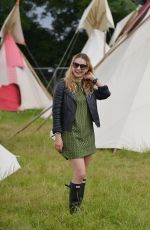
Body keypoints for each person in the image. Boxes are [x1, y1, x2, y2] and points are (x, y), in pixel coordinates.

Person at [52, 53, 111, 214]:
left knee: (83, 176)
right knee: (80, 172)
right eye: (75, 65)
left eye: (82, 66)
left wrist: (93, 78)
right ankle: (74, 211)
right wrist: (57, 136)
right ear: (71, 65)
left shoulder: (89, 86)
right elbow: (56, 112)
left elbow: (106, 93)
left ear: (87, 68)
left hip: (87, 134)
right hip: (70, 134)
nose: (78, 68)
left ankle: (77, 207)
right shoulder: (62, 86)